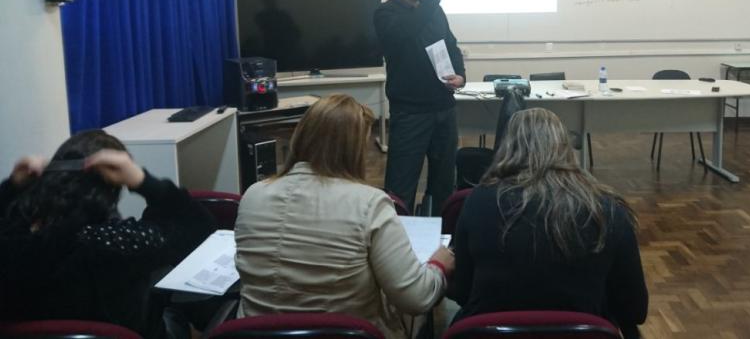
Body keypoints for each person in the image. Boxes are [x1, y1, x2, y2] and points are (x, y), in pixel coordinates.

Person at [234, 94, 454, 339]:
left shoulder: (252, 196)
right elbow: (417, 298)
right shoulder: (370, 204)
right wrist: (438, 265)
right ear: (354, 150)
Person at [450, 108, 648, 339]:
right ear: (564, 147)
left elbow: (462, 292)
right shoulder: (607, 210)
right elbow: (635, 310)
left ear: (507, 147)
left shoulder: (478, 201)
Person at [0, 130, 216, 338]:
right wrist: (143, 181)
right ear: (113, 187)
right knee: (171, 302)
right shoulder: (119, 241)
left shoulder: (13, 240)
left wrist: (10, 189)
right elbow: (200, 228)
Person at [374, 0, 465, 214]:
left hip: (444, 108)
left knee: (444, 184)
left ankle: (440, 232)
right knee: (400, 187)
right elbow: (409, 29)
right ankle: (396, 235)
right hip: (410, 114)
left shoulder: (434, 10)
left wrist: (460, 76)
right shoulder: (385, 14)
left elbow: (452, 46)